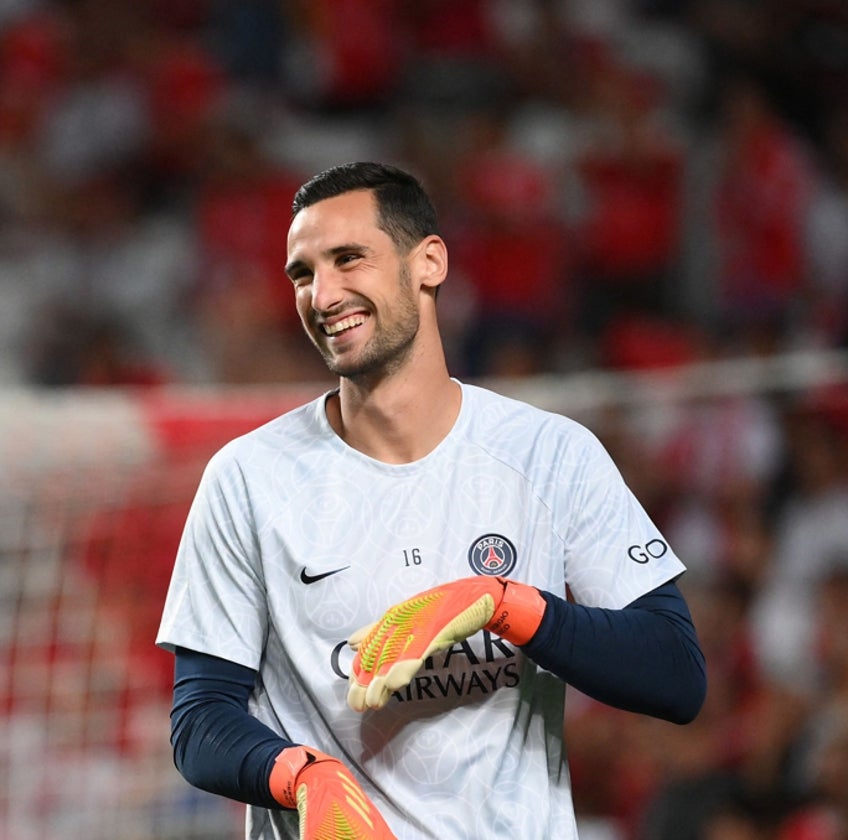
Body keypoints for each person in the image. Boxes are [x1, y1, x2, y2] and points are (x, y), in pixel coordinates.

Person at [156, 161, 707, 839]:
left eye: (348, 259)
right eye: (303, 273)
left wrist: (509, 606)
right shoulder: (248, 479)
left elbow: (676, 675)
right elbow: (200, 717)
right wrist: (301, 775)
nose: (323, 295)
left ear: (429, 263)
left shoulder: (550, 454)